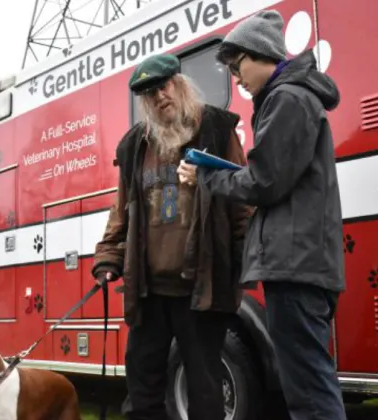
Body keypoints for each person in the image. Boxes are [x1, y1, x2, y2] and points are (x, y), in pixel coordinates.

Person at [178, 10, 347, 420]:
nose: (236, 79)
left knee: (307, 389)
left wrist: (209, 178)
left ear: (261, 54)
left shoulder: (288, 99)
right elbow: (273, 177)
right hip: (301, 262)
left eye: (238, 67)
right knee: (308, 381)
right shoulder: (292, 98)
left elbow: (266, 182)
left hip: (295, 265)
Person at [92, 53, 253, 420]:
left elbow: (242, 202)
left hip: (202, 287)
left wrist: (245, 259)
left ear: (179, 84)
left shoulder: (215, 127)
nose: (159, 95)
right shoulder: (135, 146)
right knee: (141, 393)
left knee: (205, 391)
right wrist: (108, 258)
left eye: (163, 85)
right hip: (148, 293)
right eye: (149, 93)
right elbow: (121, 212)